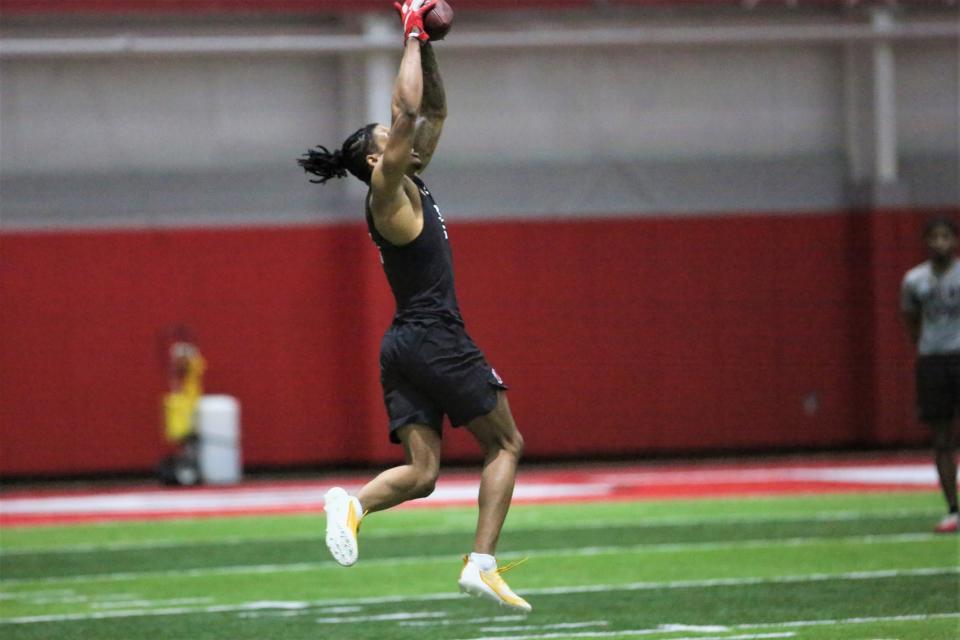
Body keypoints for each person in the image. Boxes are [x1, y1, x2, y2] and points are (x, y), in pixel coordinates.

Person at [298, 0, 531, 611]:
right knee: (505, 445)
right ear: (377, 159)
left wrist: (426, 42)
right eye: (389, 137)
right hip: (433, 336)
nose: (400, 131)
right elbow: (405, 112)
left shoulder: (407, 180)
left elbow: (431, 109)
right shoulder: (385, 189)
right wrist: (406, 28)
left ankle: (353, 504)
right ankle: (480, 563)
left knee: (424, 476)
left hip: (403, 344)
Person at [901, 216, 960, 534]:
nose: (940, 243)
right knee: (941, 439)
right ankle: (953, 508)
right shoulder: (915, 280)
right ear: (926, 242)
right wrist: (927, 347)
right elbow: (910, 319)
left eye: (946, 236)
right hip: (933, 362)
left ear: (954, 240)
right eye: (934, 237)